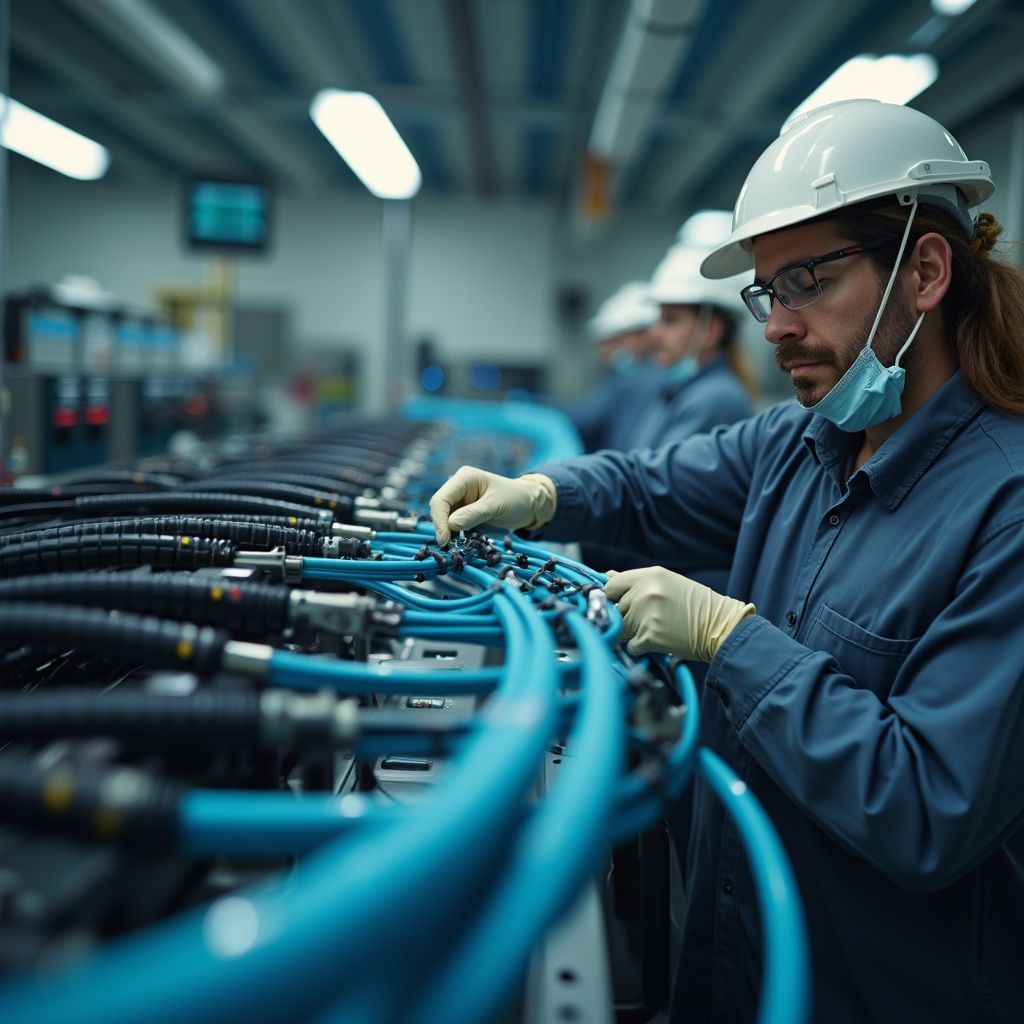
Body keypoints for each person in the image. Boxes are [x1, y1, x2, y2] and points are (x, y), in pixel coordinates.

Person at [428, 98, 1024, 1023]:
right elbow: (648, 485)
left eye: (809, 282)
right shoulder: (805, 440)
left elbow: (928, 807)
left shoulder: (1005, 508)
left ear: (926, 271)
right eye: (767, 292)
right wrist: (543, 494)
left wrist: (729, 638)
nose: (776, 326)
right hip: (730, 960)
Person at [627, 242, 756, 450]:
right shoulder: (681, 391)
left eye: (670, 320)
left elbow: (651, 477)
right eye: (657, 320)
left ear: (710, 331)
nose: (654, 334)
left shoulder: (715, 399)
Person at [558, 281, 659, 452]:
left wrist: (533, 403)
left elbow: (590, 418)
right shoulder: (623, 376)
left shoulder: (640, 380)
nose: (606, 350)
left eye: (620, 339)